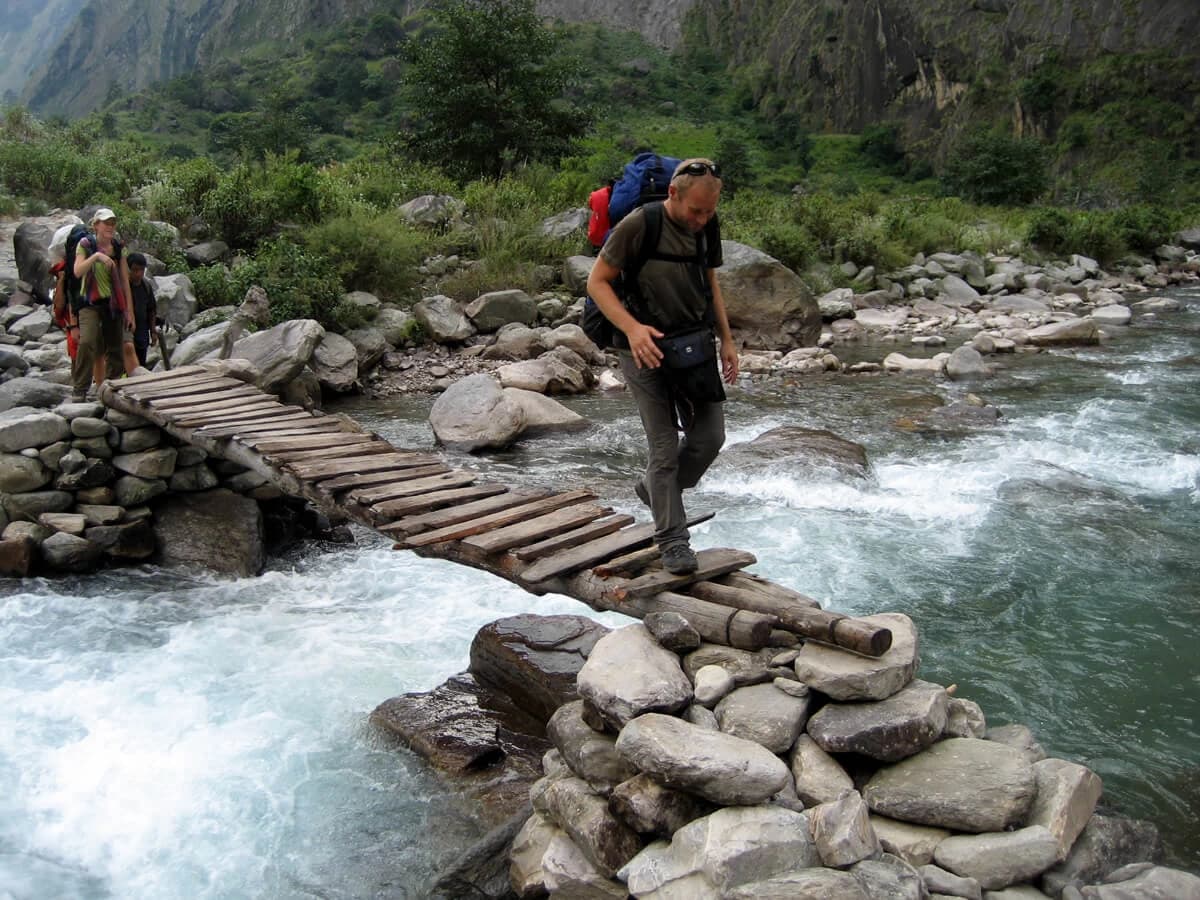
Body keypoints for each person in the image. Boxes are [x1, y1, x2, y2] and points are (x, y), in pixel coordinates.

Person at [586, 158, 739, 575]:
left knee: (710, 437)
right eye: (696, 211)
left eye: (709, 211)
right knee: (664, 447)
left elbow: (710, 283)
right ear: (673, 193)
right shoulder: (641, 224)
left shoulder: (707, 225)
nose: (702, 220)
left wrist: (727, 340)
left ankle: (653, 488)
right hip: (642, 347)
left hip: (693, 344)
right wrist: (632, 329)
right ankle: (673, 541)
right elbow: (596, 282)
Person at [71, 208, 135, 400]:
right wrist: (96, 257)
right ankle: (80, 388)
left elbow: (124, 281)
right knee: (87, 341)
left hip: (112, 303)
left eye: (112, 223)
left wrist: (129, 311)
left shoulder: (118, 247)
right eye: (106, 223)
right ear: (96, 225)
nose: (110, 227)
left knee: (115, 348)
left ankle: (111, 388)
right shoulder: (85, 244)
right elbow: (77, 271)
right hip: (89, 302)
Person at [126, 252, 159, 367]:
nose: (139, 274)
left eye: (142, 270)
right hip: (127, 332)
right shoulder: (123, 287)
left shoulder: (146, 286)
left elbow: (151, 310)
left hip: (142, 332)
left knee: (141, 363)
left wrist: (153, 331)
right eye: (135, 270)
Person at [587, 179, 614, 254]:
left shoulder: (595, 194)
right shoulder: (617, 196)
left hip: (594, 233)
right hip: (607, 236)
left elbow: (590, 205)